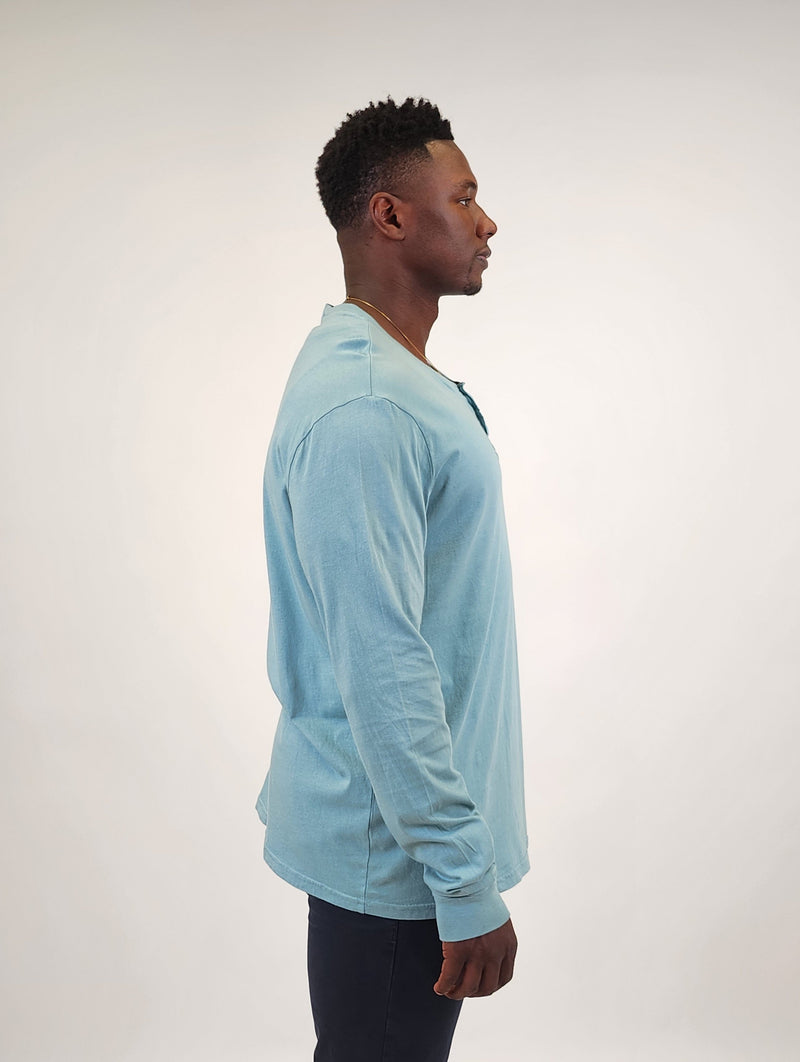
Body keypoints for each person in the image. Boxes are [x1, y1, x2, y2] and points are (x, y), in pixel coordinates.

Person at [256, 97, 528, 1062]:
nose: (487, 222)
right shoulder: (367, 406)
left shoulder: (387, 374)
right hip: (398, 861)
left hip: (401, 846)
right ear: (391, 216)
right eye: (465, 198)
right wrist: (462, 878)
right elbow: (383, 667)